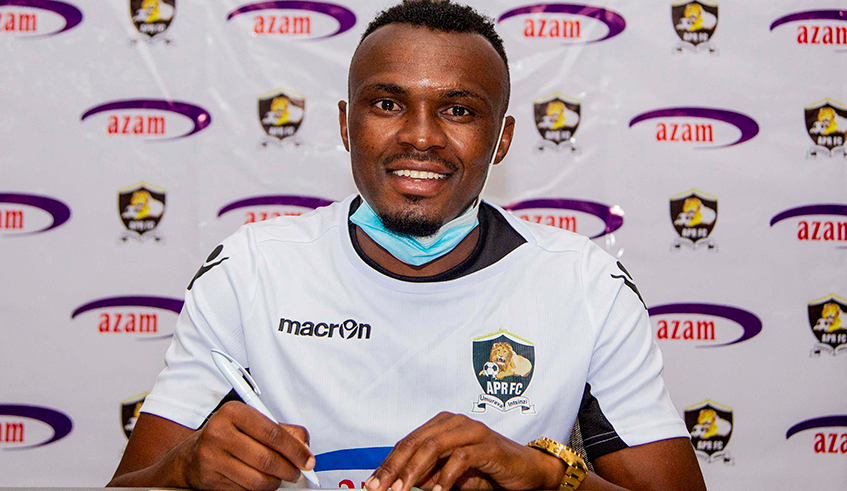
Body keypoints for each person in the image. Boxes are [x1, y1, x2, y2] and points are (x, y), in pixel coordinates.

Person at [108, 2, 707, 491]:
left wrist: (549, 477)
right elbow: (130, 484)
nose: (421, 137)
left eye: (459, 110)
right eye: (388, 104)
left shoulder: (585, 284)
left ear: (502, 139)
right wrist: (180, 471)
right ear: (346, 124)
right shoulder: (249, 271)